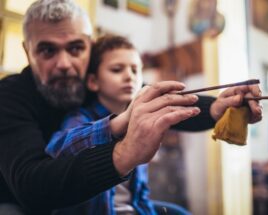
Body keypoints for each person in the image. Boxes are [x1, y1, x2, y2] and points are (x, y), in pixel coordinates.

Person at [0, 0, 262, 214]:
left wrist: (218, 107)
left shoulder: (98, 78)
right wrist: (124, 152)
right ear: (27, 51)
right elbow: (31, 186)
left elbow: (155, 99)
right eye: (47, 51)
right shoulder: (9, 95)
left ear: (89, 47)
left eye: (76, 48)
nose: (64, 63)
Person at [46, 35, 195, 215]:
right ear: (93, 82)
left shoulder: (141, 124)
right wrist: (119, 122)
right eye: (117, 69)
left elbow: (140, 194)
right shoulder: (80, 118)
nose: (129, 76)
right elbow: (57, 149)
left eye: (135, 70)